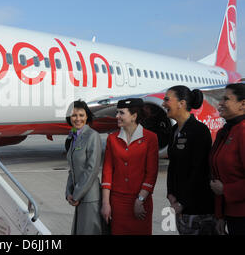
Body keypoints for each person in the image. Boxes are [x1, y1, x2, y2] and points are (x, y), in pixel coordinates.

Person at [163, 85, 216, 235]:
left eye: (167, 100)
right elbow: (172, 165)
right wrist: (171, 194)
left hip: (198, 208)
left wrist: (182, 202)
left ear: (182, 103)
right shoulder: (174, 131)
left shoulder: (199, 130)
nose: (163, 104)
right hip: (180, 206)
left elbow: (199, 171)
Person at [101, 98, 159, 235]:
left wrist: (140, 200)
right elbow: (107, 172)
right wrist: (105, 203)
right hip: (117, 203)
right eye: (117, 113)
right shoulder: (112, 139)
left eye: (121, 113)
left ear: (134, 116)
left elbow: (151, 173)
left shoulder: (150, 138)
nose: (117, 116)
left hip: (140, 201)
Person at [210, 83, 245, 235]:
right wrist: (220, 216)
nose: (220, 103)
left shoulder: (243, 131)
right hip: (231, 214)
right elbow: (219, 176)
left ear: (242, 104)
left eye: (226, 99)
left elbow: (222, 186)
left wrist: (226, 190)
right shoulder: (225, 132)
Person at [65, 100, 103, 235]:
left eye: (81, 115)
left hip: (89, 197)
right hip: (78, 196)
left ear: (87, 116)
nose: (78, 119)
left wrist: (76, 194)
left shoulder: (92, 136)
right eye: (74, 115)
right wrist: (68, 192)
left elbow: (92, 169)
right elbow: (72, 169)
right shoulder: (72, 136)